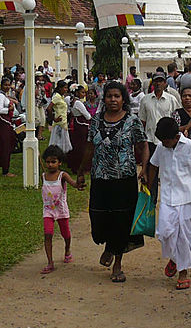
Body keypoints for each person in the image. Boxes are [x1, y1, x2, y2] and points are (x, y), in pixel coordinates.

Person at [76, 81, 149, 283]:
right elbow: (90, 148)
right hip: (100, 179)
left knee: (121, 221)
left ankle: (117, 262)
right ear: (104, 99)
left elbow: (143, 146)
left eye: (117, 96)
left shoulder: (132, 121)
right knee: (99, 219)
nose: (113, 100)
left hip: (123, 179)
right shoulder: (96, 121)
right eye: (109, 96)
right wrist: (81, 171)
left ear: (123, 99)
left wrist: (144, 168)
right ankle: (108, 245)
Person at [146, 116, 191, 290]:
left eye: (166, 141)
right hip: (168, 197)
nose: (164, 144)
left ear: (176, 137)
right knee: (164, 232)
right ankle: (175, 259)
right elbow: (153, 165)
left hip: (188, 198)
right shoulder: (161, 148)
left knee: (184, 235)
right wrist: (148, 186)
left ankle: (183, 272)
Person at [137, 71, 181, 201]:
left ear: (165, 83)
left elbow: (176, 119)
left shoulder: (171, 99)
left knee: (169, 170)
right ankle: (152, 199)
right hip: (150, 140)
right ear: (152, 83)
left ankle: (172, 198)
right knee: (152, 171)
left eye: (161, 81)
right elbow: (142, 121)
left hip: (167, 141)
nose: (158, 83)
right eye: (156, 81)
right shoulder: (145, 100)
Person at [40, 145, 80, 274]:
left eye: (53, 162)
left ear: (60, 162)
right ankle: (50, 263)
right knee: (48, 234)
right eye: (48, 162)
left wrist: (78, 184)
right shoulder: (43, 176)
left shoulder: (63, 176)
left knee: (66, 234)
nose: (50, 165)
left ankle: (67, 250)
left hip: (61, 211)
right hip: (48, 211)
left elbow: (73, 184)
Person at [0, 77, 20, 177]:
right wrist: (9, 109)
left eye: (9, 85)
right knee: (6, 145)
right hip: (3, 122)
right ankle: (5, 170)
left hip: (7, 122)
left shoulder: (5, 96)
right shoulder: (0, 96)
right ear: (1, 85)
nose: (7, 87)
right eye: (5, 85)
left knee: (10, 143)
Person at [66, 85, 92, 174]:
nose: (84, 94)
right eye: (82, 92)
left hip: (77, 124)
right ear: (77, 92)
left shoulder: (72, 101)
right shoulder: (78, 103)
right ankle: (81, 167)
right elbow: (87, 116)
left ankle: (75, 166)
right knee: (82, 147)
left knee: (77, 146)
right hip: (81, 126)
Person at [48, 80, 72, 154]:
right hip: (59, 123)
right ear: (60, 88)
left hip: (63, 122)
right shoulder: (57, 97)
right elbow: (49, 108)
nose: (66, 90)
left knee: (62, 140)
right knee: (58, 141)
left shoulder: (61, 97)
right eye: (65, 88)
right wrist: (54, 119)